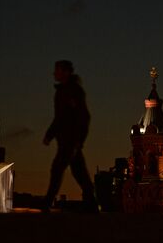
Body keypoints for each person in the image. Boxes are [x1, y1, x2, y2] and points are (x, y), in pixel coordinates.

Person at [43, 60, 97, 212]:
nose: (55, 73)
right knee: (79, 172)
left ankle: (47, 202)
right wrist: (50, 134)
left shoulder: (72, 92)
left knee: (57, 169)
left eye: (58, 70)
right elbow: (60, 117)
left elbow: (82, 117)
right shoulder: (63, 91)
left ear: (65, 72)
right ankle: (91, 204)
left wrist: (78, 140)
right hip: (68, 140)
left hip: (70, 141)